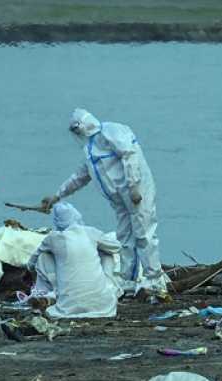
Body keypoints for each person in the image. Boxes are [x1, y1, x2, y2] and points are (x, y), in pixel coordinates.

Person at [42, 108, 168, 294]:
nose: (77, 133)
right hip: (120, 199)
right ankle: (128, 279)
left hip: (136, 193)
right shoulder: (90, 150)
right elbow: (80, 177)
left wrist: (133, 186)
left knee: (144, 233)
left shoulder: (111, 132)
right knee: (125, 236)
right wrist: (57, 196)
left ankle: (154, 278)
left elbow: (129, 154)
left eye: (77, 129)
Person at [27, 202, 122, 318]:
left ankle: (45, 291)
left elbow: (32, 262)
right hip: (102, 305)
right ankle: (109, 289)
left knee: (43, 256)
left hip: (68, 306)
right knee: (108, 254)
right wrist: (95, 247)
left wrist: (31, 271)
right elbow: (117, 247)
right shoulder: (91, 232)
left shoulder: (52, 238)